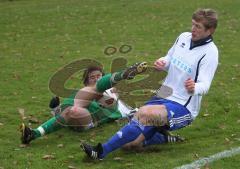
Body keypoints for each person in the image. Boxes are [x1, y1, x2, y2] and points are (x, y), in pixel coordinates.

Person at [81, 8, 219, 160]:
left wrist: (196, 87)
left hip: (183, 107)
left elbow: (205, 84)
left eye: (198, 27)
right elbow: (169, 57)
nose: (193, 29)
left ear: (210, 30)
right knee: (129, 145)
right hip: (163, 96)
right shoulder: (183, 37)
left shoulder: (210, 52)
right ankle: (162, 136)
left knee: (143, 114)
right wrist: (163, 62)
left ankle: (100, 152)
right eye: (193, 24)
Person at [20, 62, 182, 145]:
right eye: (93, 77)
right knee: (71, 110)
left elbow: (124, 109)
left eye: (99, 76)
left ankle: (123, 74)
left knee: (73, 112)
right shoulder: (82, 92)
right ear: (85, 81)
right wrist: (57, 109)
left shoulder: (111, 93)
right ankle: (33, 134)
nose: (96, 79)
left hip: (91, 119)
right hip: (81, 113)